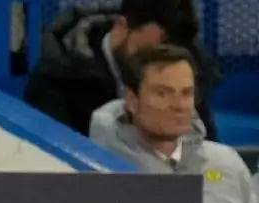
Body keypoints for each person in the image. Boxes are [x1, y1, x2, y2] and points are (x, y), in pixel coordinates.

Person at [90, 44, 258, 203]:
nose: (178, 105)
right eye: (162, 93)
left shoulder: (225, 162)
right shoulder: (100, 169)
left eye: (186, 93)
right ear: (132, 100)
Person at [24, 0, 216, 139]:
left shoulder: (187, 70)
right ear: (122, 26)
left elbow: (210, 161)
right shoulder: (57, 75)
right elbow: (52, 161)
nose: (159, 66)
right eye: (148, 51)